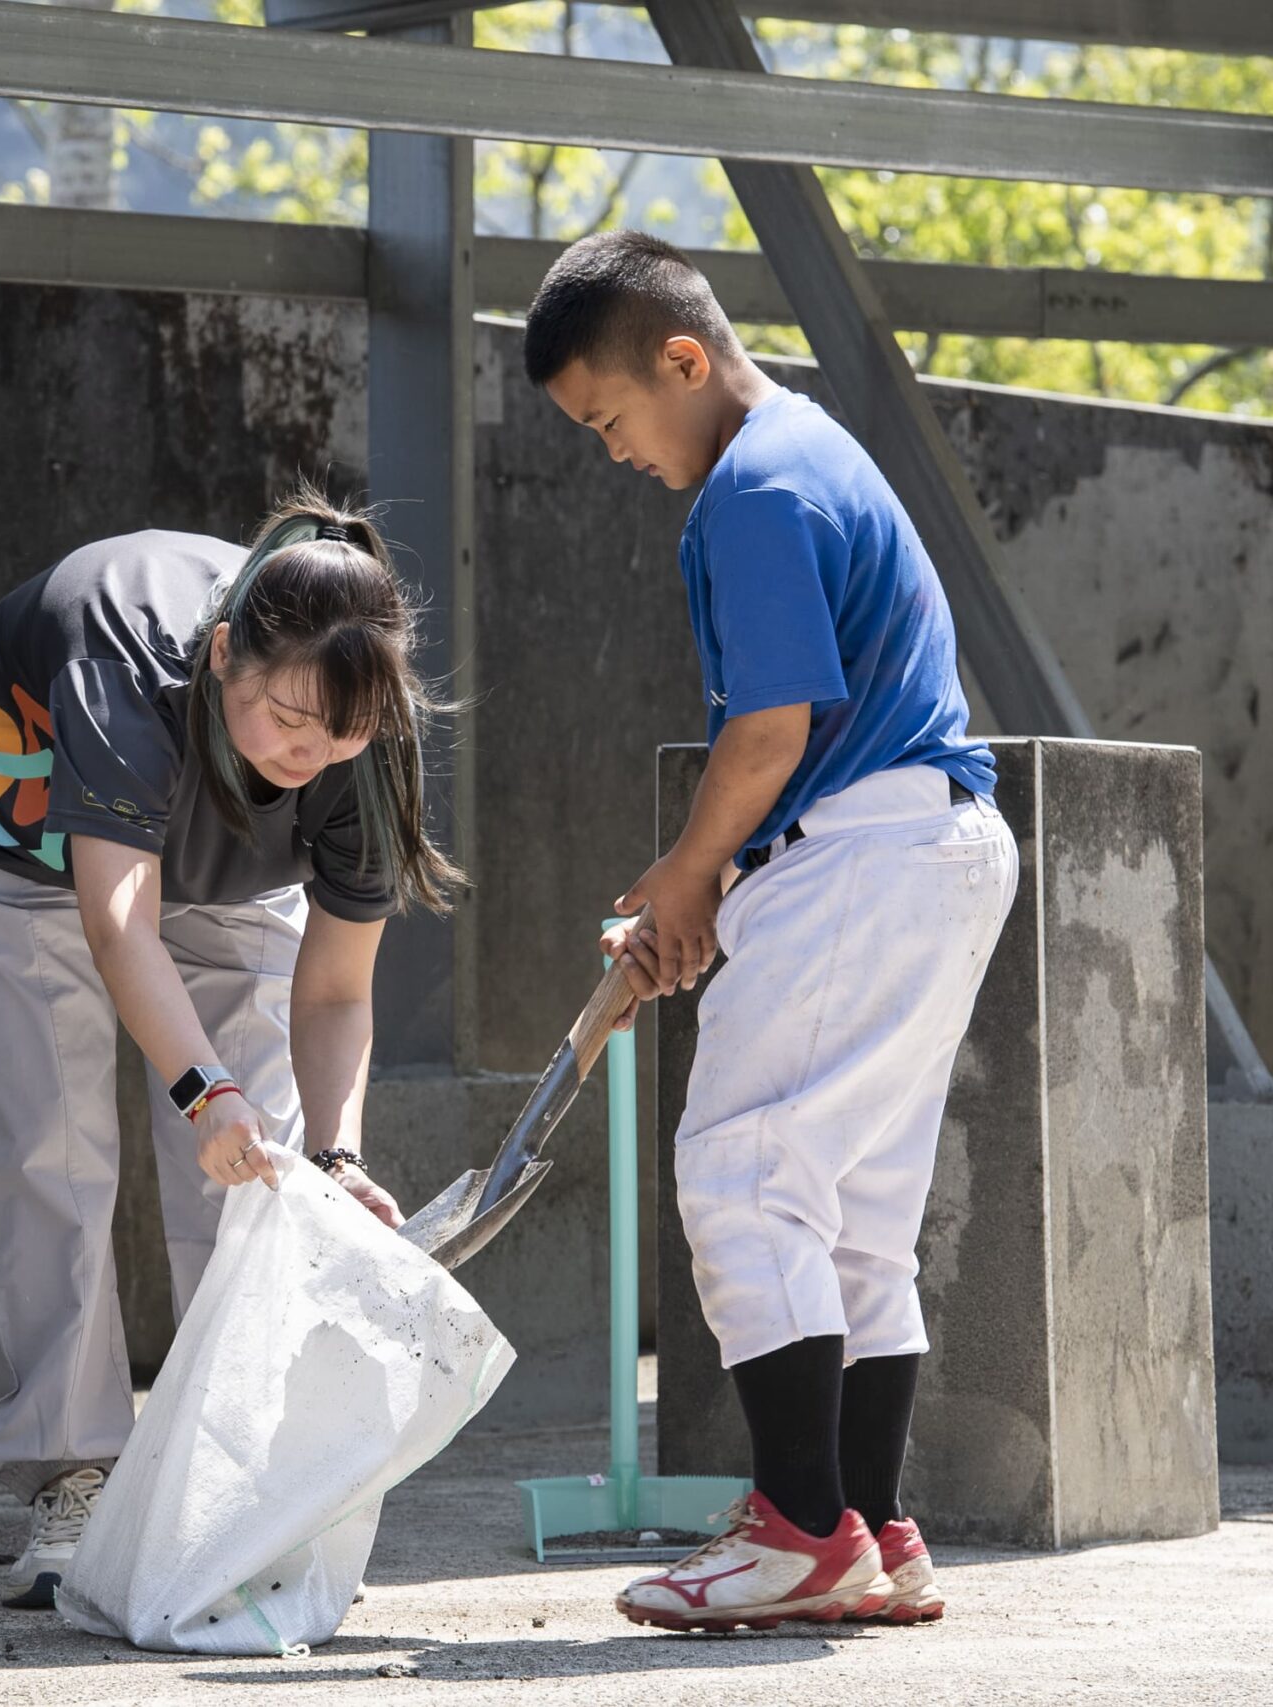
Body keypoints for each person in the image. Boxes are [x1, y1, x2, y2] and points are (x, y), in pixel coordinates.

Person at [523, 231, 1017, 1632]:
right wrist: (699, 872)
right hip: (924, 848)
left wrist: (693, 875)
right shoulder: (814, 449)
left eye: (611, 419)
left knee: (744, 1178)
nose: (615, 451)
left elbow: (771, 726)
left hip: (862, 855)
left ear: (682, 359)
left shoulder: (752, 490)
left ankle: (799, 1530)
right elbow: (795, 751)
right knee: (853, 1215)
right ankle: (869, 1532)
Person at [0, 490, 464, 1609]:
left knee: (265, 1178)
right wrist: (200, 1088)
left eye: (341, 732)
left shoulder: (359, 732)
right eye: (289, 723)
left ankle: (231, 1478)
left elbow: (338, 988)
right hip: (13, 842)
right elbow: (116, 921)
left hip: (231, 874)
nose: (313, 751)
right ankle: (71, 1470)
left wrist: (340, 1157)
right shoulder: (129, 658)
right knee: (47, 1147)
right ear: (222, 658)